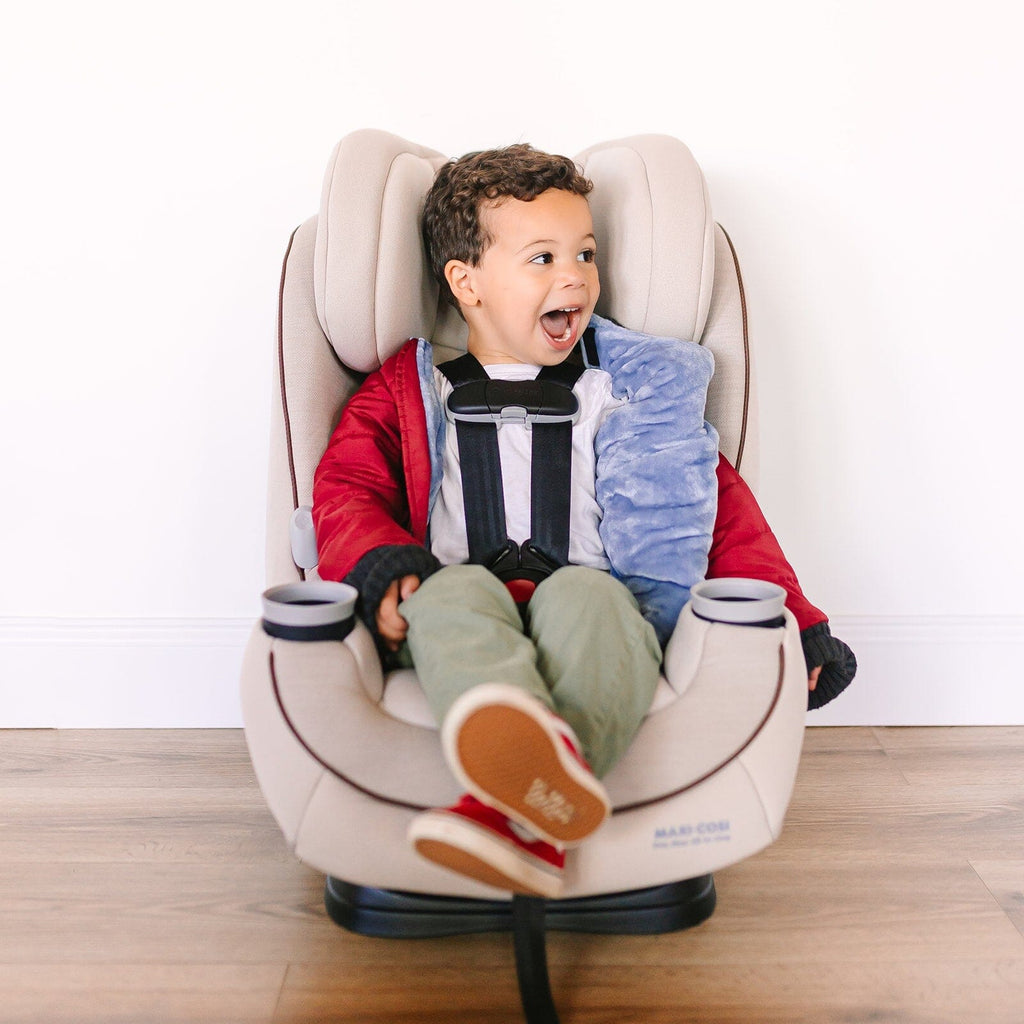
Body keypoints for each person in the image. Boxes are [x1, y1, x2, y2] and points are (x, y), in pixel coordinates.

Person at [312, 145, 856, 898]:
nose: (576, 276)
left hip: (592, 601)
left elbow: (718, 515)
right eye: (542, 258)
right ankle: (521, 769)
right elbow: (348, 490)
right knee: (454, 594)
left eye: (587, 253)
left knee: (592, 597)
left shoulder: (628, 399)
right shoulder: (409, 394)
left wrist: (795, 621)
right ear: (465, 283)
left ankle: (508, 808)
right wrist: (380, 567)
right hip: (453, 604)